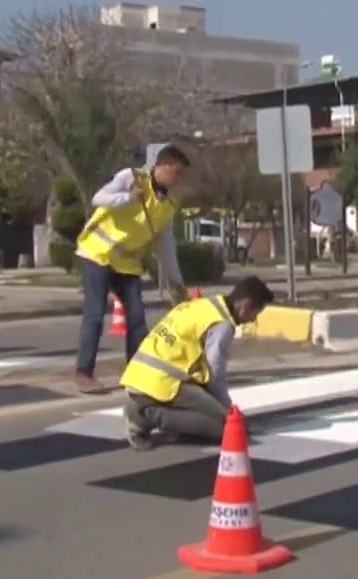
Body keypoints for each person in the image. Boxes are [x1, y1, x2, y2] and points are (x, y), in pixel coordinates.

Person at [73, 144, 191, 394]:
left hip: (127, 263)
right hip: (98, 252)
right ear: (162, 167)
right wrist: (127, 198)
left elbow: (166, 246)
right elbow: (98, 198)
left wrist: (176, 283)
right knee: (95, 314)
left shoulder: (166, 206)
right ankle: (84, 372)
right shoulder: (132, 178)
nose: (178, 179)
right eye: (177, 172)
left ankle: (136, 372)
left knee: (137, 317)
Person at [118, 276, 275, 450]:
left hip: (139, 375)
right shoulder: (222, 325)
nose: (252, 320)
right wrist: (229, 412)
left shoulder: (203, 305)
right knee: (226, 428)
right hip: (164, 381)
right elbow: (215, 375)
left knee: (206, 409)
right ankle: (145, 416)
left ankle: (179, 424)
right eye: (255, 315)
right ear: (245, 305)